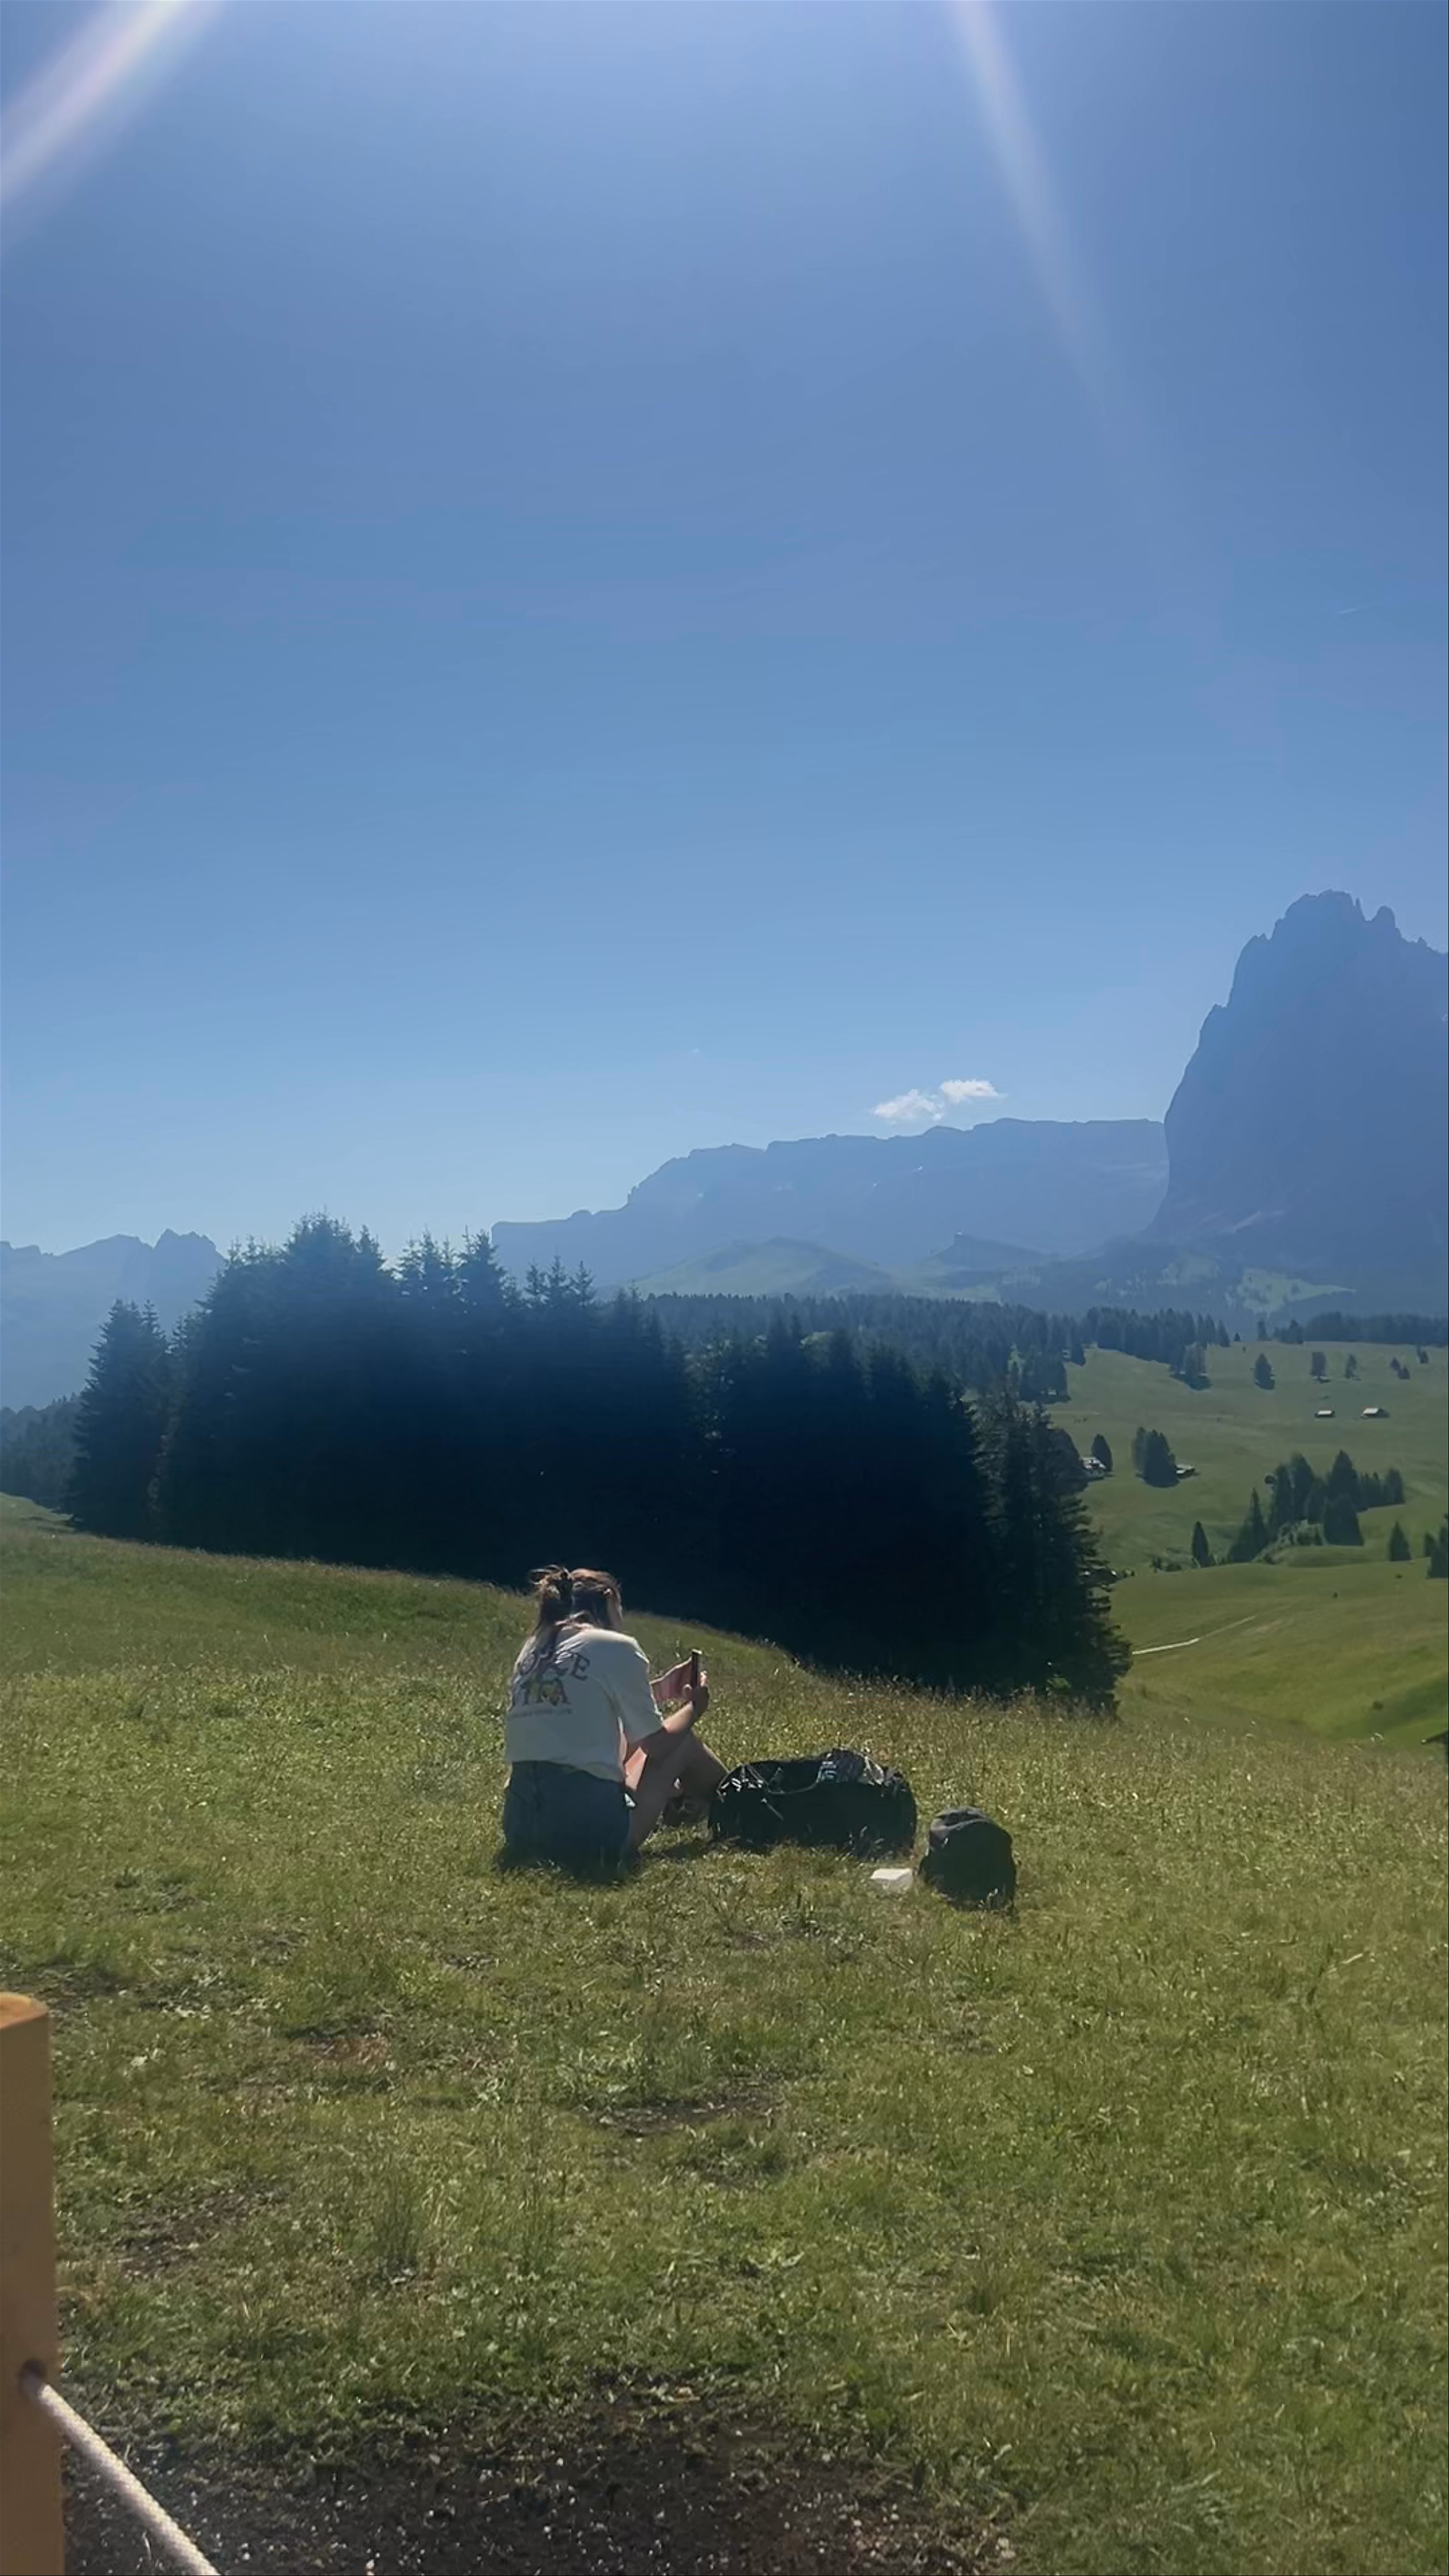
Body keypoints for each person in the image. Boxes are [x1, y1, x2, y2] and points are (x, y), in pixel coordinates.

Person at [501, 1565, 726, 1869]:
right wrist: (694, 1708)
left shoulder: (535, 1647)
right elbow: (657, 1745)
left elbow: (586, 1706)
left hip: (522, 1829)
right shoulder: (616, 1646)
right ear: (609, 1599)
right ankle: (734, 1805)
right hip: (588, 1836)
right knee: (681, 1742)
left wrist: (659, 1690)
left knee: (622, 1742)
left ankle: (691, 1802)